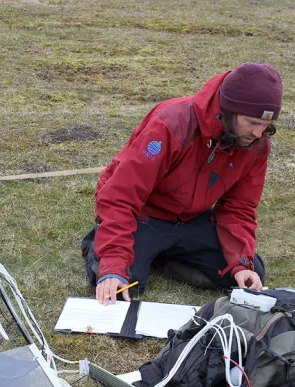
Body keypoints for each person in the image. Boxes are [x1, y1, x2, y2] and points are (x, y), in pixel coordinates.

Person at [81, 62, 282, 305]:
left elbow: (239, 208)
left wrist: (241, 265)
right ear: (229, 110)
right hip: (146, 215)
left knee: (248, 275)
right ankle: (99, 244)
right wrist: (113, 262)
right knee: (123, 284)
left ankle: (162, 254)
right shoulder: (172, 123)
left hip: (188, 220)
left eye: (265, 126)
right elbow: (121, 195)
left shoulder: (256, 145)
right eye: (252, 123)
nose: (258, 134)